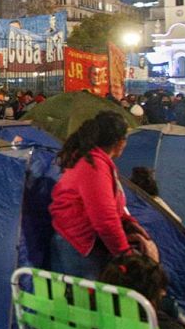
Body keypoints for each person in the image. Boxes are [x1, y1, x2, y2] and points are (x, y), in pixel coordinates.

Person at [49, 111, 157, 279]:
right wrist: (125, 255)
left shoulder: (95, 161)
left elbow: (111, 208)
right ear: (120, 142)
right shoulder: (94, 167)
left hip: (79, 242)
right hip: (79, 247)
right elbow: (105, 219)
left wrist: (129, 223)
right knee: (87, 302)